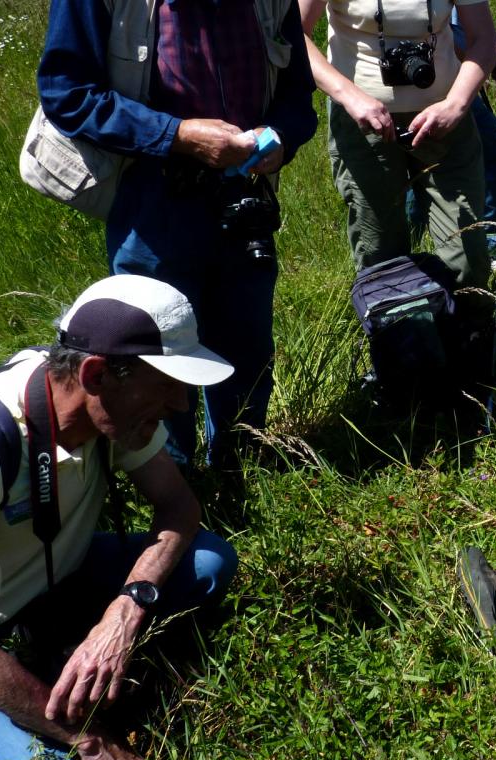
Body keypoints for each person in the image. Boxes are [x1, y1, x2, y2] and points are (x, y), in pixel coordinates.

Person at [0, 277, 239, 760]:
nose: (182, 405)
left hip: (36, 581)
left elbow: (179, 509)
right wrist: (87, 736)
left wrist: (126, 611)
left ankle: (45, 650)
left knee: (209, 561)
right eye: (168, 384)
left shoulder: (106, 404)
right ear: (94, 374)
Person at [36, 0, 319, 469]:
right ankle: (170, 480)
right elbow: (67, 92)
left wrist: (282, 136)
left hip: (245, 199)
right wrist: (178, 135)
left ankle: (241, 466)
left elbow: (297, 94)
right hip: (152, 199)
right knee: (154, 354)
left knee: (247, 345)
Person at [300, 0, 496, 288]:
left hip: (445, 121)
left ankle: (471, 327)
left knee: (467, 258)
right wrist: (350, 96)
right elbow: (294, 33)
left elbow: (483, 38)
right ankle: (400, 329)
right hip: (363, 125)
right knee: (381, 253)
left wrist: (456, 105)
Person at [407, 19, 496, 271]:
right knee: (415, 171)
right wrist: (485, 59)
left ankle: (488, 242)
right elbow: (442, 38)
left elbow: (466, 33)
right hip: (420, 88)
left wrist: (488, 60)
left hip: (455, 90)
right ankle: (409, 257)